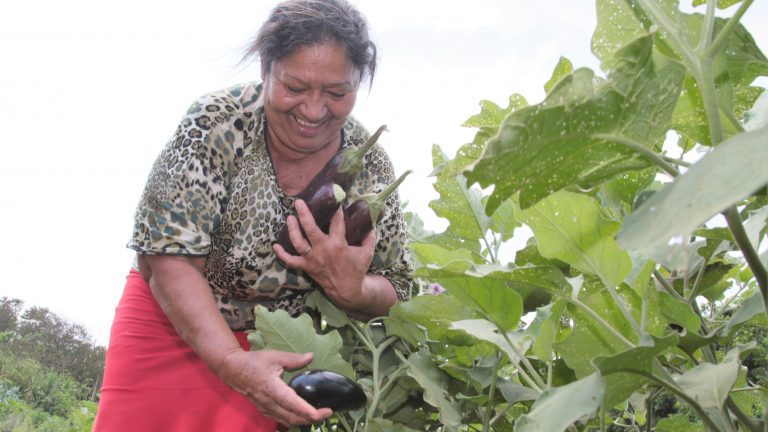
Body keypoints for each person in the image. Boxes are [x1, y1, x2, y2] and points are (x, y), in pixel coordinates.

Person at [92, 0, 413, 430]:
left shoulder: (370, 169)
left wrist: (355, 290)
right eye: (295, 87)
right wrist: (230, 360)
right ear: (266, 69)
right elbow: (167, 259)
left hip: (274, 348)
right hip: (173, 320)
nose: (315, 110)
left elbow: (401, 288)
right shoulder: (215, 123)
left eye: (337, 93)